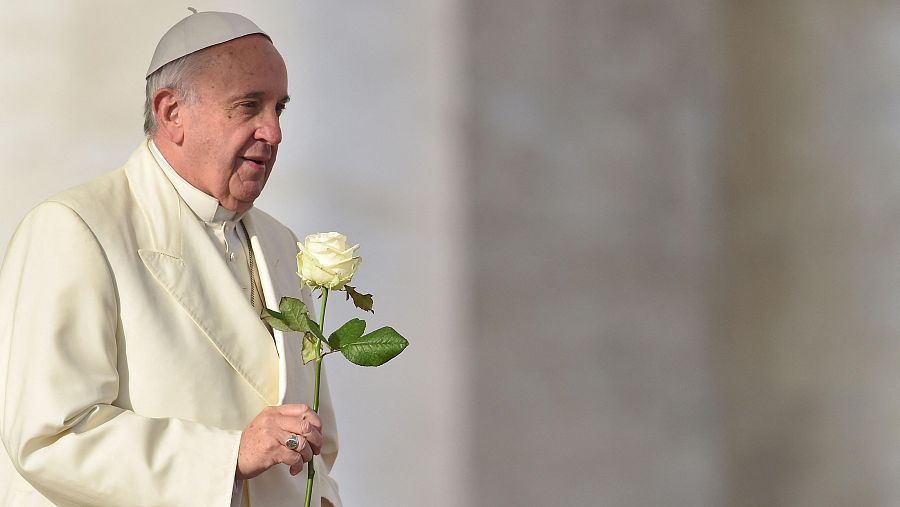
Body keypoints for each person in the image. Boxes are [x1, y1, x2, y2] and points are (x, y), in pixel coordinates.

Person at [0, 11, 341, 507]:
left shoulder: (282, 246)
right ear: (171, 112)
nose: (273, 132)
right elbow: (49, 438)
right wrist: (228, 455)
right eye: (248, 106)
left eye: (279, 108)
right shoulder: (76, 228)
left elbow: (315, 443)